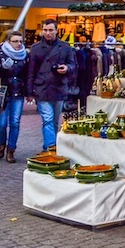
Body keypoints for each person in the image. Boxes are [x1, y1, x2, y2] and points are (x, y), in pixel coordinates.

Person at [27, 18, 76, 151]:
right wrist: (29, 92)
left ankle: (50, 145)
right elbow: (30, 71)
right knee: (48, 118)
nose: (47, 33)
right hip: (42, 88)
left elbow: (73, 65)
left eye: (50, 30)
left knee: (54, 120)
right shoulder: (36, 49)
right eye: (45, 30)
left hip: (59, 86)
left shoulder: (65, 47)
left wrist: (67, 68)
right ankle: (51, 147)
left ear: (56, 31)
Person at [0, 29, 29, 163]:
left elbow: (28, 75)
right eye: (15, 41)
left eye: (20, 41)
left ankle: (11, 149)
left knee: (15, 122)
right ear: (8, 41)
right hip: (2, 92)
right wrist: (2, 68)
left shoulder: (25, 55)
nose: (18, 44)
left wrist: (29, 92)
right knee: (1, 123)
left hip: (18, 92)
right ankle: (1, 143)